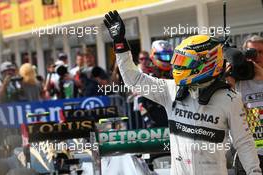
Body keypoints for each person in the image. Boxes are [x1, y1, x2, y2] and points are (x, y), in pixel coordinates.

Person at [103, 10, 262, 175]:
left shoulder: (229, 99)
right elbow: (133, 79)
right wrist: (120, 43)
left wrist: (254, 172)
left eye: (185, 62)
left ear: (207, 62)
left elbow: (244, 142)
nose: (178, 67)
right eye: (178, 61)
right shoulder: (170, 90)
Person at [226, 35, 263, 174]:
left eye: (261, 52)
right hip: (247, 153)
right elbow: (230, 112)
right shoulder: (237, 79)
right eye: (252, 52)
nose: (256, 56)